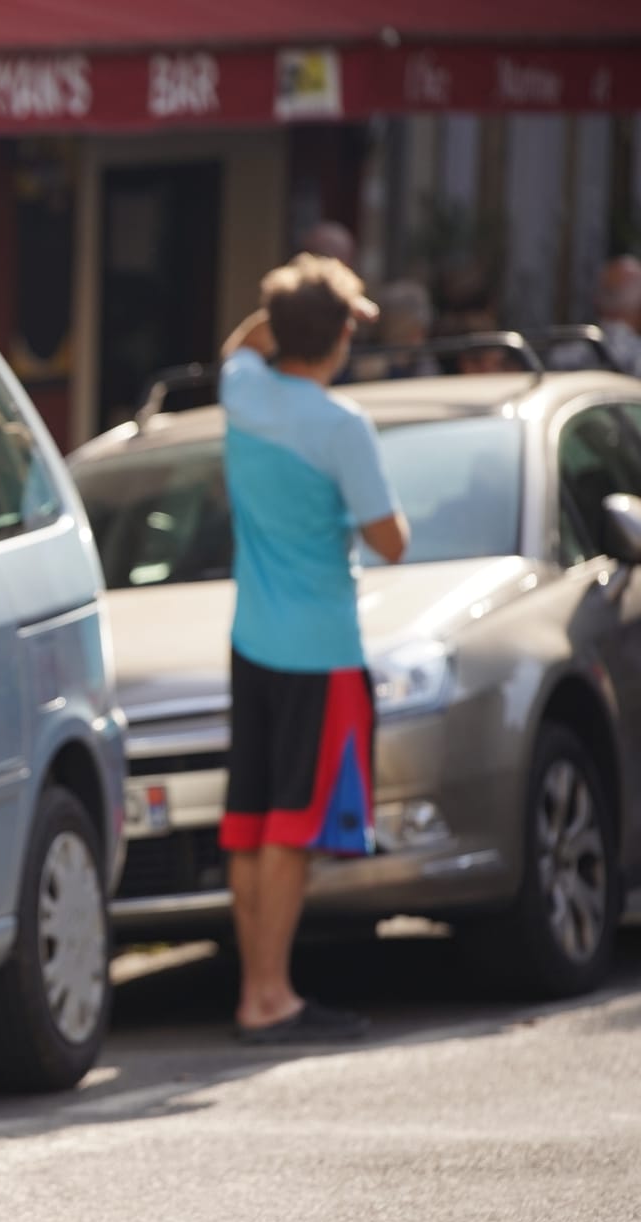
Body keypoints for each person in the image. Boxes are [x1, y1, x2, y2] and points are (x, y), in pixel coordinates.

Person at [215, 253, 410, 1044]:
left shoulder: (242, 392)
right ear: (339, 337)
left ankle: (254, 991)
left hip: (252, 641)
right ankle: (272, 996)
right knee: (292, 826)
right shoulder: (341, 426)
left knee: (250, 819)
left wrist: (296, 309)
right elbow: (391, 541)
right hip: (319, 649)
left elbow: (242, 344)